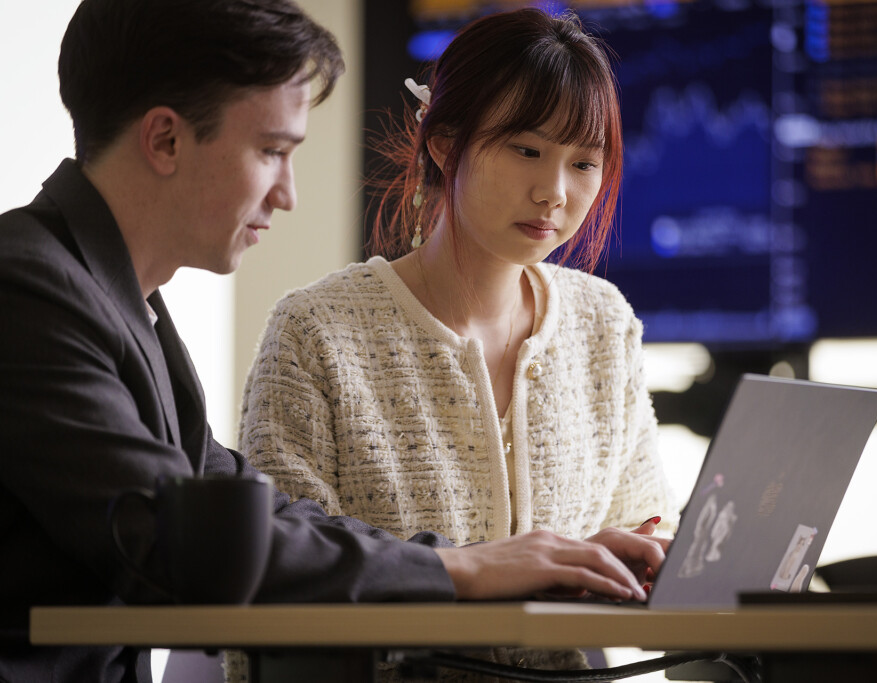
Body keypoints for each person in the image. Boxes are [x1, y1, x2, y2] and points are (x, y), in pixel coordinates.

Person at [0, 2, 669, 682]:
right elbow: (168, 541)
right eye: (271, 151)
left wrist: (490, 562)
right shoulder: (28, 288)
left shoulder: (114, 301)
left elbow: (239, 506)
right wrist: (463, 565)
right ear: (166, 140)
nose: (288, 193)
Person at [239, 7, 678, 675]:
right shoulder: (317, 333)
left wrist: (641, 557)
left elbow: (648, 524)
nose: (553, 192)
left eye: (584, 162)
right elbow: (277, 573)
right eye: (527, 150)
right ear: (444, 143)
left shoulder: (604, 324)